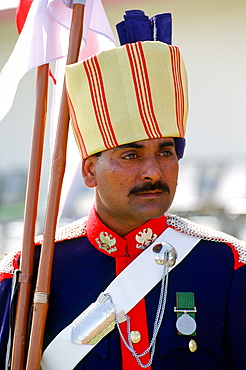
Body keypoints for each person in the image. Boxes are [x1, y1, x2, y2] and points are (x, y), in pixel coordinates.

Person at [1, 10, 246, 370]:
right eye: (130, 154)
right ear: (89, 171)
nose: (152, 171)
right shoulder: (31, 270)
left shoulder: (228, 266)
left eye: (165, 152)